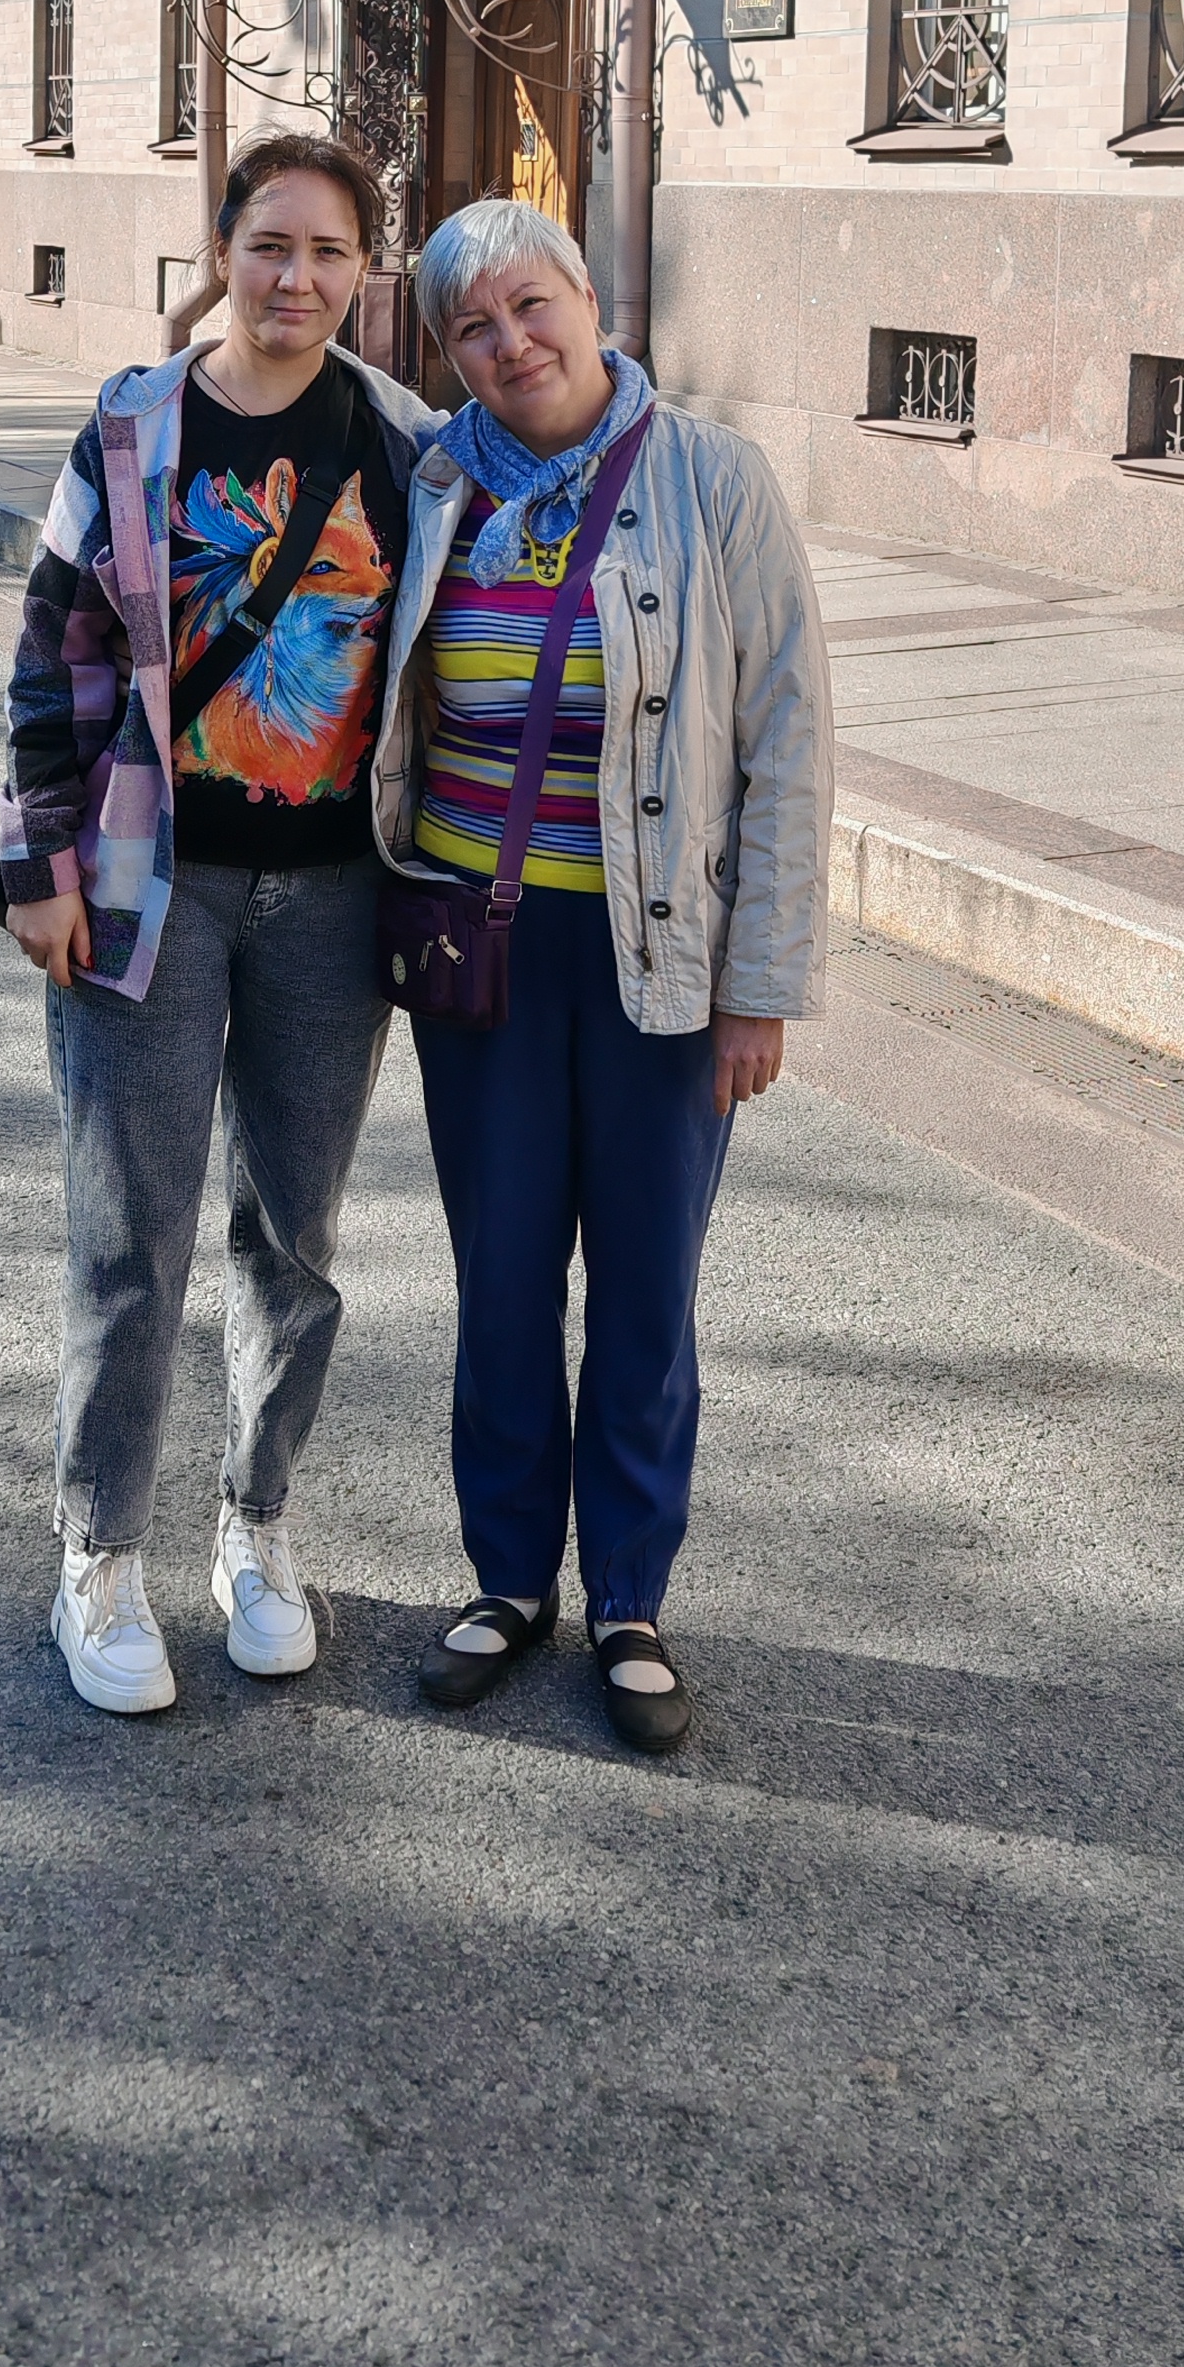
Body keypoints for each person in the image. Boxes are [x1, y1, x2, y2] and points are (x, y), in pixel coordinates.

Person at [370, 197, 831, 1754]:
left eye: (531, 305)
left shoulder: (713, 479)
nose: (512, 344)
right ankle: (510, 1581)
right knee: (501, 1279)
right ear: (449, 356)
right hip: (480, 956)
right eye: (473, 329)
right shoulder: (431, 482)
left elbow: (789, 743)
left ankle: (629, 1597)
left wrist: (760, 983)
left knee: (643, 1286)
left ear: (588, 296)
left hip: (664, 958)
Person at [0, 132, 440, 1717]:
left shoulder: (410, 446)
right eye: (270, 244)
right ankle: (100, 1551)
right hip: (149, 883)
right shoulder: (134, 426)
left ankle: (256, 1527)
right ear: (224, 250)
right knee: (133, 1231)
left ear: (364, 270)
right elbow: (53, 650)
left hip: (335, 900)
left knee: (293, 1237)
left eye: (328, 252)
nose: (295, 278)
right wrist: (34, 861)